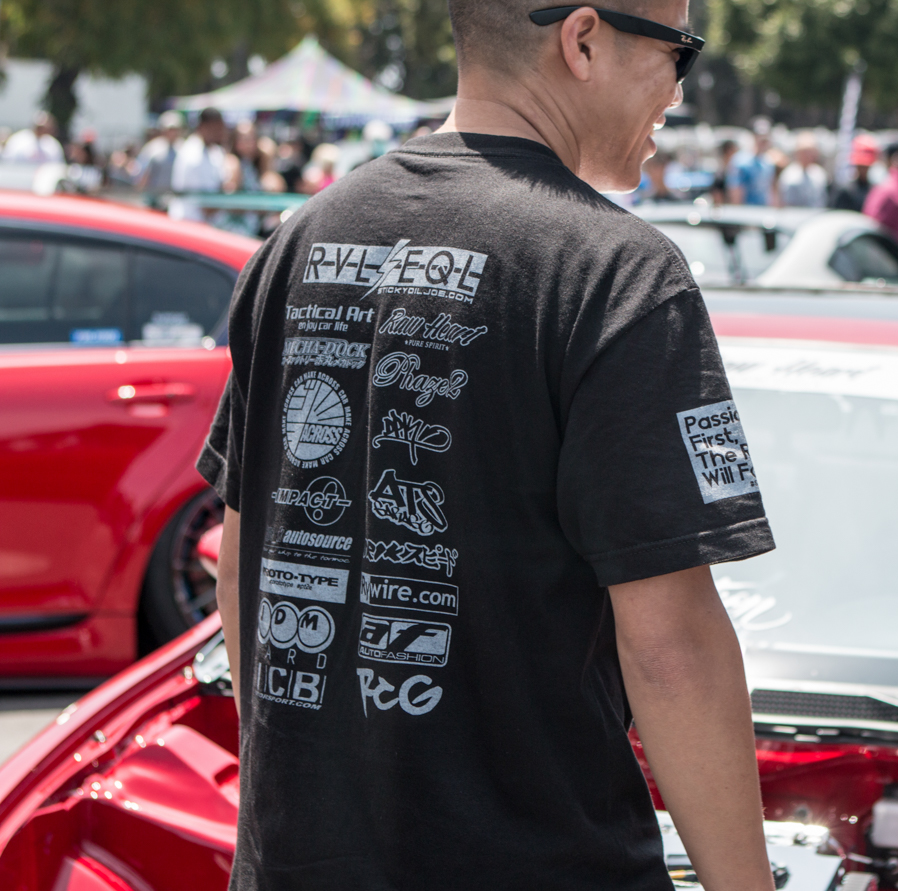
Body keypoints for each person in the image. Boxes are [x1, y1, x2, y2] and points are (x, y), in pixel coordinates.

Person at [202, 2, 777, 890]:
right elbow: (671, 644)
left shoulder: (297, 243)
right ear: (582, 40)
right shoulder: (616, 272)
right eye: (678, 51)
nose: (676, 88)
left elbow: (247, 565)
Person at [171, 108, 229, 194]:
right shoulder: (192, 154)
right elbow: (204, 201)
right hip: (191, 206)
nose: (220, 133)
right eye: (216, 128)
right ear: (203, 127)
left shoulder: (213, 150)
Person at [727, 123, 776, 205]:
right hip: (746, 212)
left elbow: (770, 190)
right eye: (760, 137)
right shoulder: (741, 161)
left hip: (763, 211)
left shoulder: (769, 162)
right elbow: (736, 190)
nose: (763, 140)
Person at [137, 111, 185, 193]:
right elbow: (143, 175)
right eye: (170, 130)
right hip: (155, 196)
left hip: (177, 196)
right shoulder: (152, 148)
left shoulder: (184, 148)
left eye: (175, 130)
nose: (172, 133)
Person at [829, 135, 879, 212]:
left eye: (866, 166)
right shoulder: (845, 191)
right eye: (861, 166)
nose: (864, 169)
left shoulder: (874, 191)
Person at [777, 131, 828, 208]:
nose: (808, 156)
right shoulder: (789, 175)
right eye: (804, 152)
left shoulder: (819, 173)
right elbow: (785, 203)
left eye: (810, 152)